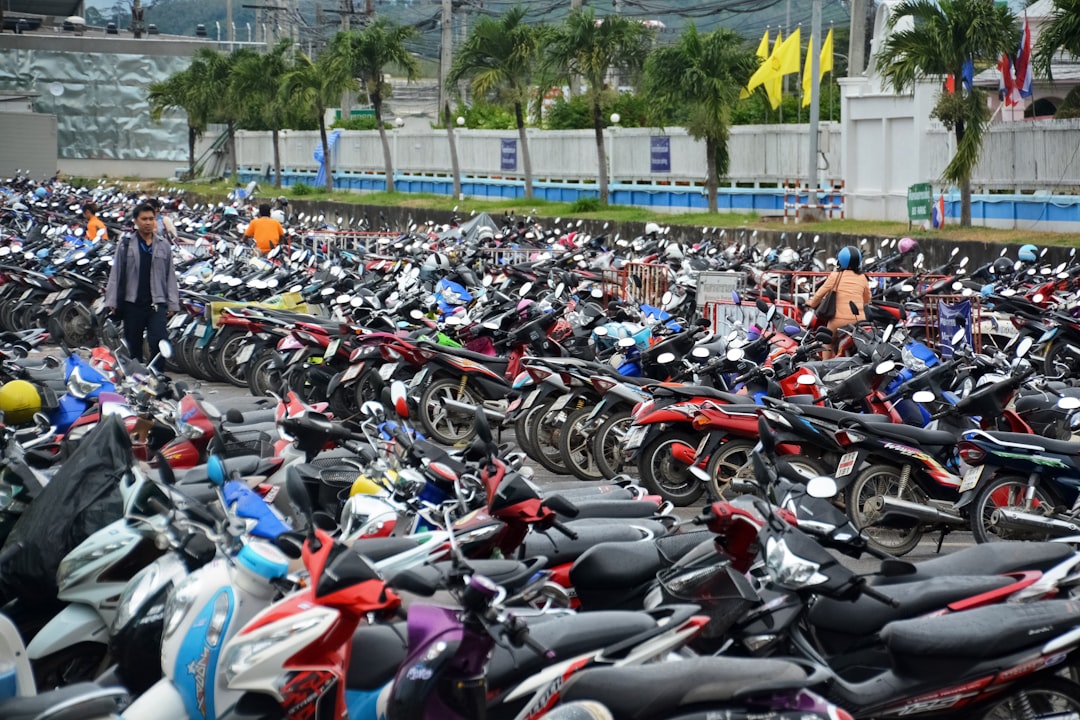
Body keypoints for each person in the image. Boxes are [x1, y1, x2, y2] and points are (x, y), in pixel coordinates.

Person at [103, 202, 180, 364]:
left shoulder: (163, 245)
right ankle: (136, 378)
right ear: (136, 221)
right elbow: (116, 274)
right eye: (144, 219)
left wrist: (173, 303)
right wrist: (112, 300)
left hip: (156, 303)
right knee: (134, 345)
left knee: (159, 342)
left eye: (151, 219)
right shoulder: (126, 244)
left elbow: (170, 276)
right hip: (133, 303)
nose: (148, 222)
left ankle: (156, 375)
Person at [807, 245, 871, 358]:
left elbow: (819, 295)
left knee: (827, 341)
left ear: (840, 261)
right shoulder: (863, 278)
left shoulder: (835, 276)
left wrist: (811, 303)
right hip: (858, 322)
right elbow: (867, 299)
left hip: (838, 322)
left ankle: (825, 365)